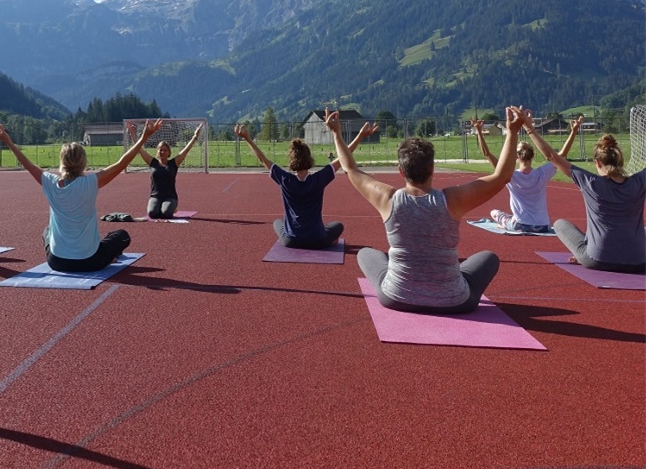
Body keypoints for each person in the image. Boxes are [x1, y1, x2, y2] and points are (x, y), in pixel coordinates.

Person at [331, 106, 525, 314]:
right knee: (489, 258)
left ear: (400, 170)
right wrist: (512, 132)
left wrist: (336, 133)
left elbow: (350, 168)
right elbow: (502, 176)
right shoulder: (452, 200)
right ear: (432, 168)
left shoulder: (387, 199)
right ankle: (442, 278)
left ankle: (409, 274)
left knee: (366, 254)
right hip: (454, 302)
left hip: (397, 297)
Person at [0, 120, 162, 273]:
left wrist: (8, 141)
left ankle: (97, 253)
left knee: (46, 230)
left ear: (62, 161)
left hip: (56, 261)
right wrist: (144, 136)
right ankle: (109, 256)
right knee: (122, 236)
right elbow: (122, 163)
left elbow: (27, 163)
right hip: (90, 261)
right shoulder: (91, 182)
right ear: (83, 161)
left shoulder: (49, 181)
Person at [522, 112, 646, 273]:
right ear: (620, 160)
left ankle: (584, 251)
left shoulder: (591, 182)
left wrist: (528, 128)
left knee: (560, 224)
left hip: (597, 259)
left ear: (597, 162)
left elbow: (551, 156)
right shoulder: (639, 182)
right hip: (639, 262)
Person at [236, 117, 379, 249]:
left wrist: (247, 138)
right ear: (309, 159)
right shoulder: (318, 179)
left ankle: (310, 236)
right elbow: (343, 157)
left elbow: (262, 159)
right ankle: (329, 240)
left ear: (291, 160)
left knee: (277, 223)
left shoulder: (285, 179)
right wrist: (360, 136)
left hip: (291, 241)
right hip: (318, 240)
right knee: (338, 226)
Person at [471, 115, 582, 233]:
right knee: (503, 216)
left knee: (494, 212)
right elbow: (562, 154)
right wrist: (574, 130)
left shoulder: (509, 175)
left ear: (517, 157)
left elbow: (487, 154)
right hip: (543, 226)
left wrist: (478, 130)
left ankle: (504, 225)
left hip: (520, 225)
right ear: (532, 155)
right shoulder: (542, 173)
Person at [127, 122, 203, 219]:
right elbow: (139, 149)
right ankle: (159, 206)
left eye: (165, 150)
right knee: (153, 214)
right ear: (157, 151)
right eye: (160, 150)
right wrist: (133, 135)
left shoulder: (174, 163)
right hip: (155, 197)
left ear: (169, 153)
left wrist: (195, 136)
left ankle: (173, 207)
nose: (162, 152)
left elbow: (186, 150)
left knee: (166, 214)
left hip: (170, 197)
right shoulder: (152, 162)